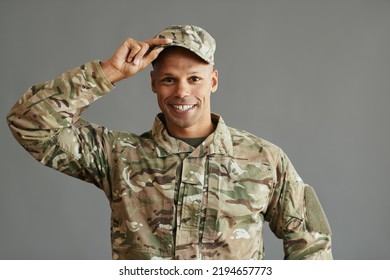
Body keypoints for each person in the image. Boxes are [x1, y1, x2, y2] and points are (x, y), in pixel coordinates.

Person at [7, 25, 332, 260]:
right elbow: (29, 122)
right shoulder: (117, 155)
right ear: (153, 83)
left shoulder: (264, 158)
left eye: (194, 79)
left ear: (213, 81)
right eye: (168, 79)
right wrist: (106, 73)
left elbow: (311, 243)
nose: (181, 92)